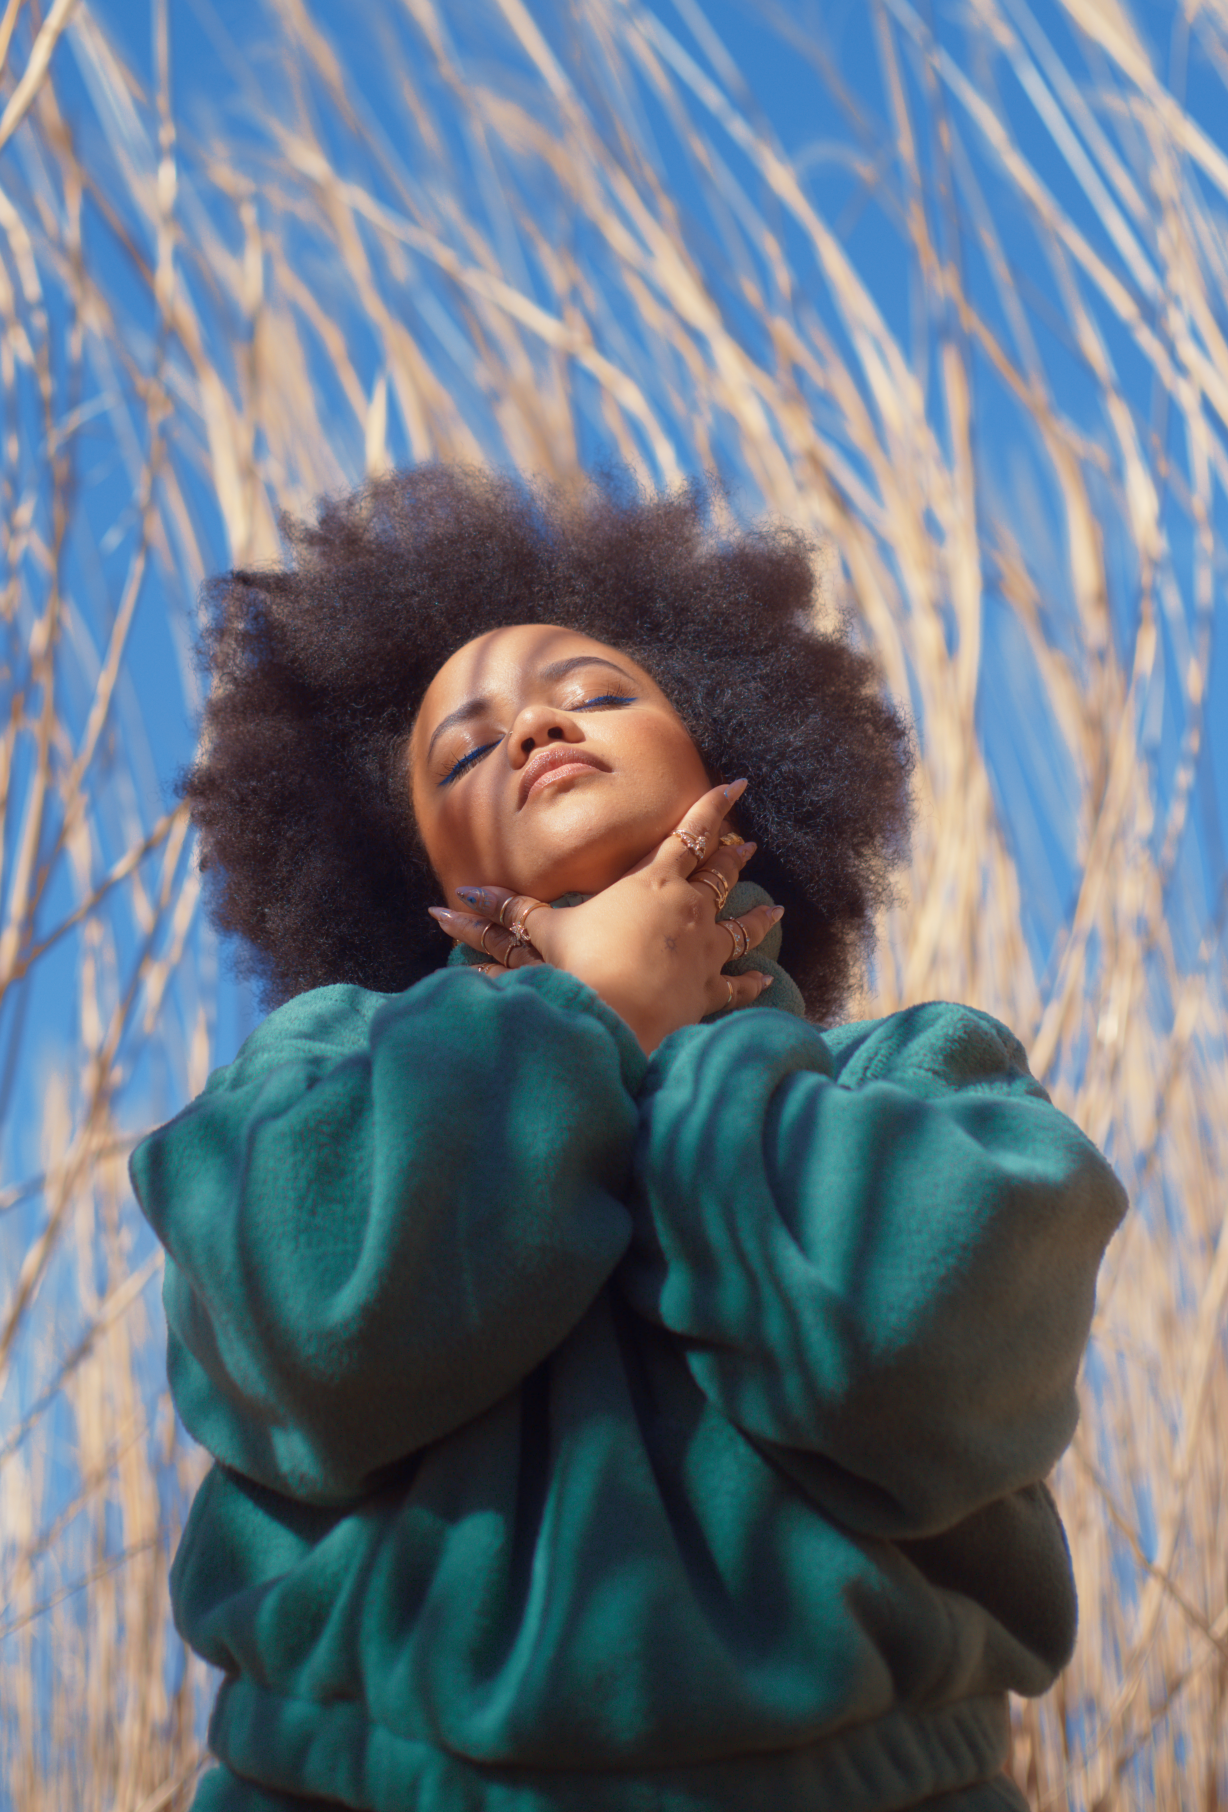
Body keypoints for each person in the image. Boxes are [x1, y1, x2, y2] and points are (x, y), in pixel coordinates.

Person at [130, 466, 1127, 1811]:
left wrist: (695, 1038)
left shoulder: (920, 1082)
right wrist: (582, 1012)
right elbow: (316, 1329)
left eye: (598, 694)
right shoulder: (312, 1090)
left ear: (730, 758)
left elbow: (908, 1362)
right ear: (411, 869)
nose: (537, 720)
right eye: (462, 750)